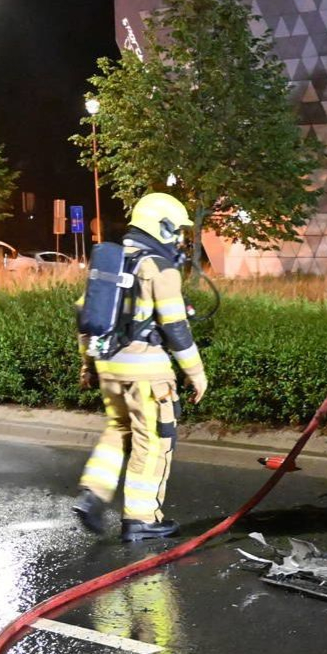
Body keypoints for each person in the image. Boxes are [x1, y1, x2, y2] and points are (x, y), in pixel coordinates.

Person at [72, 192, 209, 542]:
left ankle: (93, 494)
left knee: (118, 429)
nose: (179, 238)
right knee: (153, 442)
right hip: (147, 373)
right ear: (161, 226)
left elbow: (86, 318)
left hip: (108, 366)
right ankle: (142, 519)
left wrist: (88, 364)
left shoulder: (111, 263)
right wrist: (196, 373)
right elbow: (176, 328)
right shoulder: (159, 268)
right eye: (176, 230)